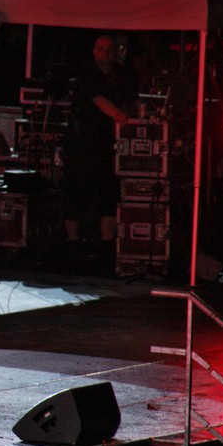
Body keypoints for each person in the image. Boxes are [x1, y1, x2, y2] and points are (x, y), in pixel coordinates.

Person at [61, 34, 138, 273]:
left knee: (108, 195)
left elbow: (130, 98)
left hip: (107, 144)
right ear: (94, 51)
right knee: (75, 195)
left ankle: (106, 250)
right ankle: (73, 248)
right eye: (101, 49)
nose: (105, 53)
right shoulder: (87, 74)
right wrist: (117, 114)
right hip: (81, 143)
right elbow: (98, 99)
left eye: (109, 49)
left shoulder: (121, 74)